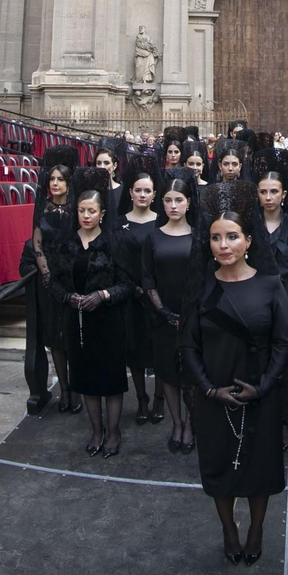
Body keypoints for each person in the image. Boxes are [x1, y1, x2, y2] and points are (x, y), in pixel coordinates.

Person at [179, 180, 288, 566]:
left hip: (260, 394)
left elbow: (283, 343)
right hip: (215, 394)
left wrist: (264, 387)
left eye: (232, 237)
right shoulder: (201, 288)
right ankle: (229, 530)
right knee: (219, 466)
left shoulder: (271, 284)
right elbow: (188, 345)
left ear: (248, 241)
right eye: (215, 238)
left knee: (259, 470)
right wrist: (209, 390)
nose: (223, 245)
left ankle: (256, 530)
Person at [48, 177, 134, 457]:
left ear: (102, 213)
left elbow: (127, 284)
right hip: (78, 321)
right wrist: (68, 297)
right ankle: (96, 431)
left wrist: (104, 295)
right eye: (82, 210)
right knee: (85, 378)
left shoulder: (114, 242)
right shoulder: (67, 242)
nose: (86, 215)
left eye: (92, 211)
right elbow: (54, 282)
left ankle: (113, 432)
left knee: (110, 379)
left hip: (108, 321)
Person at [253, 166, 288, 447]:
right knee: (261, 362)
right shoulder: (251, 226)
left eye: (273, 191)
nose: (268, 197)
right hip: (258, 302)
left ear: (284, 194)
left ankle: (285, 421)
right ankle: (264, 419)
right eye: (263, 192)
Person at [144, 169, 197, 453]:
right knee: (167, 373)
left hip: (193, 318)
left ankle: (190, 425)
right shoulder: (153, 237)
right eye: (168, 200)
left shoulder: (199, 237)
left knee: (192, 373)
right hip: (162, 317)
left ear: (189, 202)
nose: (173, 205)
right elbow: (147, 279)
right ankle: (176, 423)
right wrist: (163, 311)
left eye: (179, 199)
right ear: (161, 203)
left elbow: (204, 279)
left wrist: (190, 314)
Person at [23, 151, 78, 415]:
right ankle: (64, 389)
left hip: (72, 277)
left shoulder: (76, 208)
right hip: (49, 278)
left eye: (60, 179)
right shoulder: (42, 207)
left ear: (68, 183)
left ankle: (76, 388)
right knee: (55, 337)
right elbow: (37, 243)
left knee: (73, 336)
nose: (55, 183)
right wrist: (45, 273)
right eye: (52, 179)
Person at [118, 168, 161, 427]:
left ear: (154, 194)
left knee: (159, 349)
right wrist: (132, 287)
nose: (142, 194)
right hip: (130, 296)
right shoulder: (119, 222)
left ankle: (159, 398)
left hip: (158, 296)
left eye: (147, 191)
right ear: (131, 193)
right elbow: (117, 260)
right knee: (134, 349)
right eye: (138, 190)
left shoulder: (162, 221)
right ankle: (141, 398)